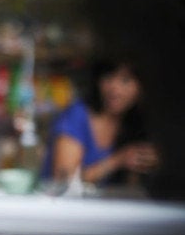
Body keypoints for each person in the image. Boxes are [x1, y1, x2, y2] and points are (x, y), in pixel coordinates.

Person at [42, 55, 159, 188]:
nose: (115, 89)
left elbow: (133, 189)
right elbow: (63, 181)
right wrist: (118, 160)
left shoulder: (135, 123)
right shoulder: (76, 115)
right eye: (108, 77)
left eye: (126, 80)